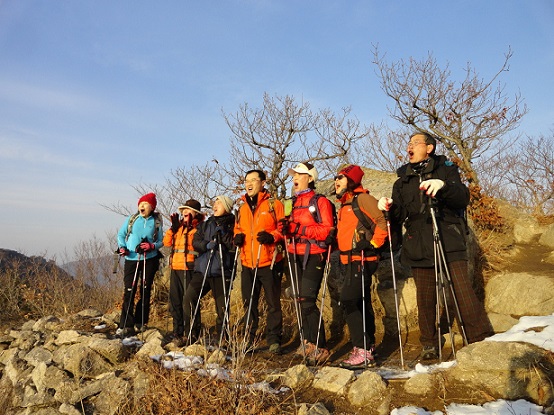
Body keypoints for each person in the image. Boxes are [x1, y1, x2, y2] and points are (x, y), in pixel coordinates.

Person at [378, 132, 493, 360]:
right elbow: (400, 216)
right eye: (408, 143)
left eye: (415, 143)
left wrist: (443, 186)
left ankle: (479, 337)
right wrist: (388, 209)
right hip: (418, 242)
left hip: (448, 235)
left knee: (461, 289)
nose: (409, 147)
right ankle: (429, 343)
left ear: (429, 148)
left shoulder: (446, 168)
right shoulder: (402, 180)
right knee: (426, 296)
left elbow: (462, 197)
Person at [279, 162, 334, 365]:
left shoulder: (321, 202)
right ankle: (309, 342)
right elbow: (286, 227)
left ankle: (321, 346)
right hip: (294, 253)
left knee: (308, 299)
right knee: (299, 299)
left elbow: (327, 230)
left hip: (314, 254)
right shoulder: (291, 202)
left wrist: (299, 230)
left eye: (299, 174)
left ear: (310, 178)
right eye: (293, 174)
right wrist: (283, 229)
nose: (294, 177)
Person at [333, 165, 388, 369]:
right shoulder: (345, 204)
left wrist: (373, 244)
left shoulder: (362, 199)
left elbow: (382, 222)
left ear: (352, 180)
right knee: (360, 302)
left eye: (341, 177)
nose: (336, 180)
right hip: (350, 260)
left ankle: (362, 349)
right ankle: (367, 346)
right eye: (335, 177)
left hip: (363, 258)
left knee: (349, 299)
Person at [233, 169, 285, 353]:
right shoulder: (242, 208)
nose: (249, 184)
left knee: (273, 304)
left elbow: (283, 228)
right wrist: (237, 238)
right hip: (247, 262)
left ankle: (274, 340)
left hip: (269, 261)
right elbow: (237, 229)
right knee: (249, 303)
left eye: (253, 180)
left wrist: (272, 237)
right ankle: (249, 339)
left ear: (262, 183)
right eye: (246, 180)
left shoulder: (274, 204)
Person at [183, 195, 235, 343]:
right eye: (215, 203)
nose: (215, 205)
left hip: (222, 271)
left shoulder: (233, 224)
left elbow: (233, 245)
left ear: (227, 206)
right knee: (189, 298)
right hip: (202, 269)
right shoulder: (205, 225)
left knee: (222, 307)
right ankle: (192, 333)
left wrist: (223, 234)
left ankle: (222, 336)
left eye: (219, 202)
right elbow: (196, 242)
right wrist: (206, 245)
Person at [116, 192, 163, 337]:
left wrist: (152, 246)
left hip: (149, 259)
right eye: (140, 203)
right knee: (129, 289)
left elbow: (161, 240)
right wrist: (122, 247)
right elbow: (121, 234)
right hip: (131, 258)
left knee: (145, 290)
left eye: (145, 204)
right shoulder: (132, 219)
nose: (141, 206)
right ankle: (125, 324)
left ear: (152, 207)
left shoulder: (156, 222)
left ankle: (140, 322)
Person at [162, 199, 205, 347]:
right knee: (175, 302)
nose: (185, 212)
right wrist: (172, 229)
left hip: (191, 268)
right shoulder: (177, 227)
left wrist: (190, 227)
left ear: (196, 213)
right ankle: (177, 331)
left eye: (188, 210)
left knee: (190, 302)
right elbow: (167, 243)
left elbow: (199, 245)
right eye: (183, 210)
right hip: (175, 267)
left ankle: (192, 332)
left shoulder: (200, 228)